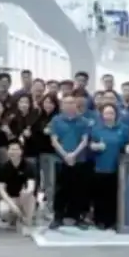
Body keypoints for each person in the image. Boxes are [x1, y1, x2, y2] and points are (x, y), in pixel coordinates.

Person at [49, 95, 92, 229]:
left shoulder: (83, 121)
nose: (69, 105)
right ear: (62, 106)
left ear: (76, 105)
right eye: (66, 103)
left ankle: (77, 217)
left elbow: (84, 141)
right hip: (61, 160)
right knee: (60, 190)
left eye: (72, 103)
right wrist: (66, 155)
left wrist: (73, 155)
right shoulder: (56, 120)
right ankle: (58, 217)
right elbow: (54, 141)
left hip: (79, 160)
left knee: (78, 190)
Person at [87, 103, 128, 230]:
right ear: (102, 115)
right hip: (100, 167)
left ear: (116, 114)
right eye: (106, 113)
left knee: (114, 196)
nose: (109, 116)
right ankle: (100, 220)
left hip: (118, 168)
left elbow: (128, 144)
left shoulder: (123, 129)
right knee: (100, 196)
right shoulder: (96, 129)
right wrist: (94, 146)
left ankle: (114, 221)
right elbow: (89, 145)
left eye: (111, 113)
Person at [0, 141, 36, 233]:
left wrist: (27, 192)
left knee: (30, 198)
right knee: (3, 211)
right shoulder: (4, 168)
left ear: (21, 151)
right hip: (11, 198)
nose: (13, 152)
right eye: (11, 149)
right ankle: (16, 217)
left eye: (16, 149)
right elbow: (1, 189)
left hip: (24, 197)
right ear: (7, 151)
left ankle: (27, 220)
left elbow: (31, 186)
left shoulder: (29, 166)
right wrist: (12, 204)